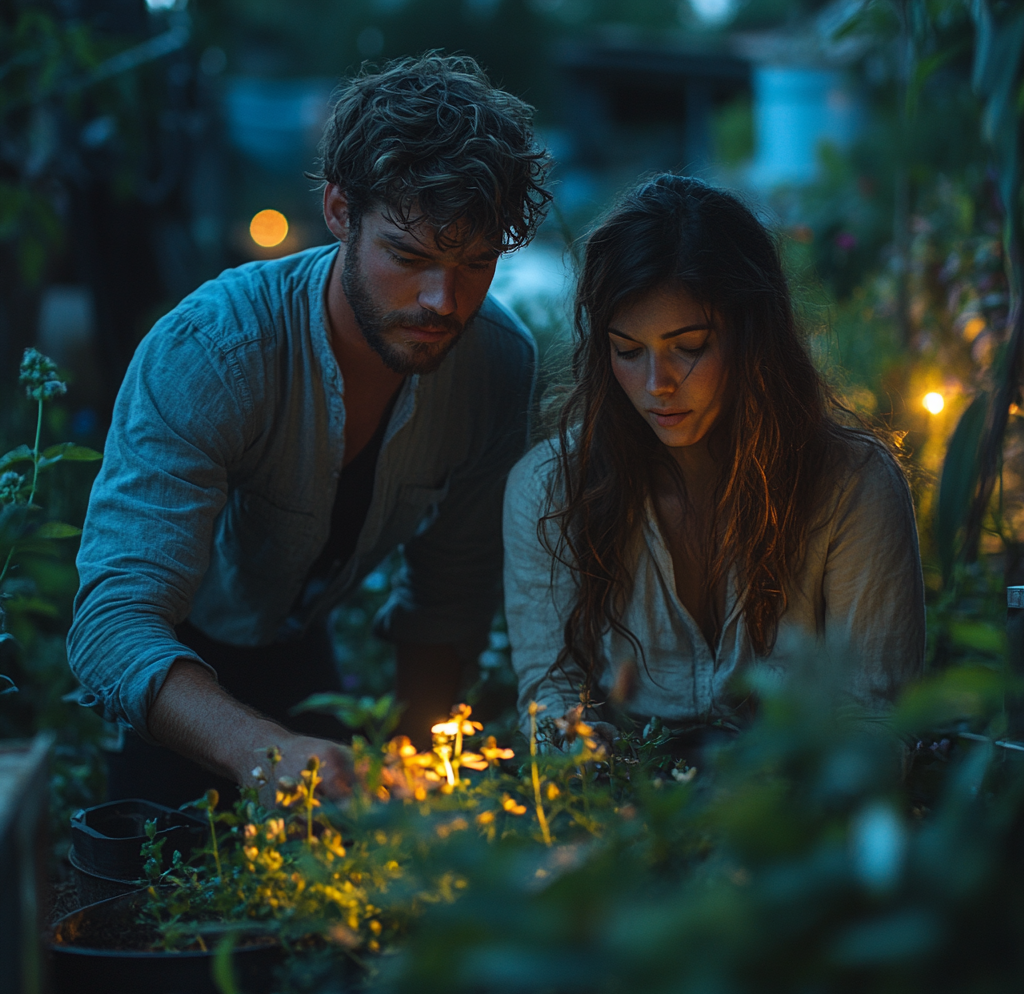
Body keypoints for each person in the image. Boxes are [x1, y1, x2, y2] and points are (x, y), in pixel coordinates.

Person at [67, 54, 552, 809]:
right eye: (409, 254)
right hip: (174, 670)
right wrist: (261, 752)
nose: (442, 299)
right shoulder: (213, 353)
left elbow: (447, 600)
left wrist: (420, 783)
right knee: (152, 880)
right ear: (337, 211)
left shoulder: (496, 365)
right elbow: (112, 624)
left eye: (475, 262)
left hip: (304, 648)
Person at [503, 175, 925, 750]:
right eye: (628, 351)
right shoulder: (551, 489)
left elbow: (874, 714)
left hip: (795, 808)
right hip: (629, 810)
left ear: (753, 336)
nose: (658, 385)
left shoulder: (852, 485)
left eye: (689, 346)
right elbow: (548, 694)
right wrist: (575, 747)